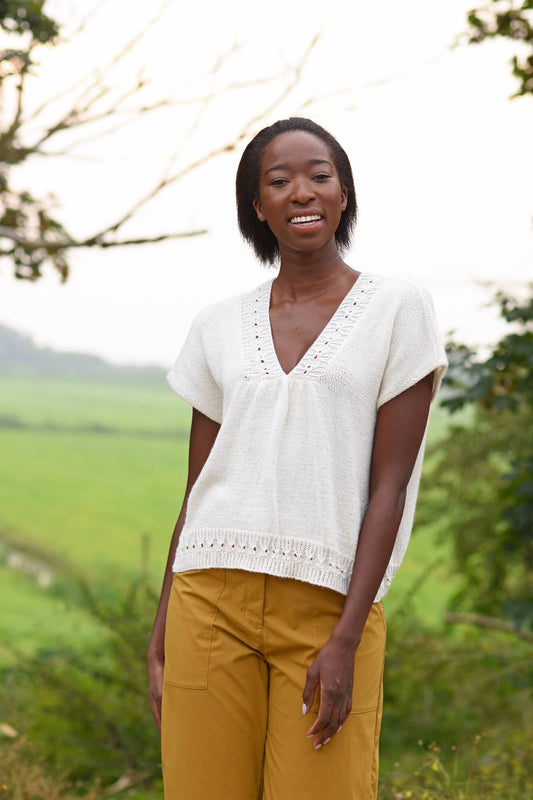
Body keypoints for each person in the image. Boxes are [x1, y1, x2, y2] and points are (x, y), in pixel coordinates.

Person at [147, 117, 447, 800]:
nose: (300, 191)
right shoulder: (216, 325)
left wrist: (345, 637)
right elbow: (198, 492)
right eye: (277, 181)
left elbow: (389, 488)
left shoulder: (398, 308)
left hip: (326, 609)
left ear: (342, 193)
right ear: (257, 207)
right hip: (209, 598)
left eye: (318, 174)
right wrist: (161, 637)